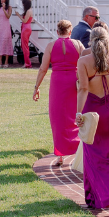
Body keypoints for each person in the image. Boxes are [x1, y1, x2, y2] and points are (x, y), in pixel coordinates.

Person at [74, 27, 109, 217]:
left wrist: (78, 113)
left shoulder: (84, 61)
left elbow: (83, 89)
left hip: (92, 111)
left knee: (93, 155)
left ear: (91, 40)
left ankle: (95, 199)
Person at [32, 19, 84, 165]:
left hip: (57, 83)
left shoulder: (50, 46)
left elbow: (43, 69)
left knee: (58, 118)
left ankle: (60, 156)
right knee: (75, 115)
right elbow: (84, 64)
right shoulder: (78, 44)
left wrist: (36, 87)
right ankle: (78, 153)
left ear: (57, 31)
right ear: (70, 31)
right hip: (74, 83)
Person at [0, 0, 15, 68]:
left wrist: (3, 9)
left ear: (6, 0)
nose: (1, 0)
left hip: (6, 27)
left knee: (5, 43)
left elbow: (8, 16)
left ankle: (6, 61)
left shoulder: (9, 7)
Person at [17, 0, 35, 68]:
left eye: (23, 4)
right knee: (24, 46)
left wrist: (18, 15)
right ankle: (27, 62)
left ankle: (27, 63)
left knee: (25, 47)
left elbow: (24, 21)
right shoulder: (29, 11)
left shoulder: (29, 11)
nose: (23, 5)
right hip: (26, 28)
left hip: (26, 29)